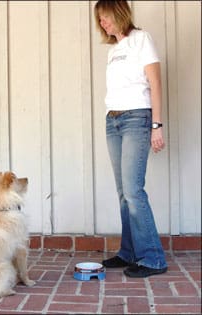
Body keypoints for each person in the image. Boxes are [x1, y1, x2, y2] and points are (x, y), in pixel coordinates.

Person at [94, 0, 168, 278]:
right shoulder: (113, 50)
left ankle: (153, 258)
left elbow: (155, 84)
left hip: (137, 118)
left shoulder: (141, 39)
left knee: (134, 191)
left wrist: (157, 125)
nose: (103, 23)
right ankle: (129, 252)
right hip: (112, 120)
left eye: (105, 17)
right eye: (99, 20)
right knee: (124, 193)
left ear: (119, 12)